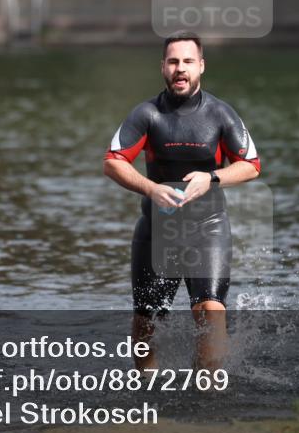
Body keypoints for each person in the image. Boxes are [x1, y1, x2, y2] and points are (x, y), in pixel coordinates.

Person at [103, 33, 261, 371]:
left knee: (210, 311)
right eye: (173, 62)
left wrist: (212, 177)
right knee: (147, 320)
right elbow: (113, 161)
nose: (180, 69)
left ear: (201, 66)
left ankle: (207, 392)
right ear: (162, 67)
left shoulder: (221, 114)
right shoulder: (146, 114)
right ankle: (148, 390)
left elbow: (252, 166)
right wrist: (150, 188)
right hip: (158, 231)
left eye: (188, 61)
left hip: (209, 228)